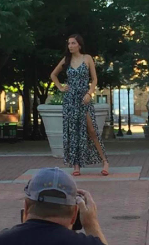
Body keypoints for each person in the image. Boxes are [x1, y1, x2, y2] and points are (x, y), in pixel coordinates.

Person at [51, 34, 109, 177]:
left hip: (84, 99)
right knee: (74, 132)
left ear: (79, 45)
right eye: (69, 43)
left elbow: (94, 79)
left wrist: (90, 93)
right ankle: (76, 165)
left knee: (92, 130)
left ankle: (105, 161)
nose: (70, 46)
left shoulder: (87, 58)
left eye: (73, 43)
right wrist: (60, 87)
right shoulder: (66, 60)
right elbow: (53, 75)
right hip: (70, 99)